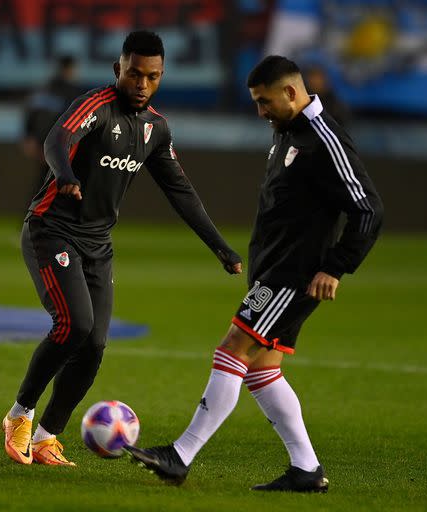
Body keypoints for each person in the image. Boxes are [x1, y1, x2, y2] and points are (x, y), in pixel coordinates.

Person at [126, 55, 384, 492]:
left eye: (265, 102)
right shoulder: (289, 132)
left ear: (291, 93)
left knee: (233, 347)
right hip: (274, 270)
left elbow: (368, 209)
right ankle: (306, 469)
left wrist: (335, 267)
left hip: (293, 274)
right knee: (263, 370)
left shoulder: (325, 138)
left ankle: (181, 454)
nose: (260, 111)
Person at [2, 31, 243, 467]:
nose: (141, 83)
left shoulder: (156, 128)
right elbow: (56, 140)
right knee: (73, 324)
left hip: (98, 244)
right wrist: (66, 176)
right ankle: (19, 414)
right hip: (52, 230)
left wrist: (221, 248)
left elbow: (181, 192)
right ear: (119, 69)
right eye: (134, 73)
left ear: (161, 76)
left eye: (151, 76)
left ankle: (45, 437)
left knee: (94, 344)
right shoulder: (94, 106)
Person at [21, 55, 83, 197]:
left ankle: (32, 213)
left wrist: (29, 136)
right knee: (57, 182)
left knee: (44, 181)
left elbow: (31, 113)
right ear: (71, 70)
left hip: (42, 145)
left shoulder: (44, 89)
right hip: (60, 145)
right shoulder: (73, 92)